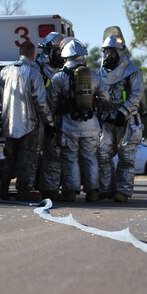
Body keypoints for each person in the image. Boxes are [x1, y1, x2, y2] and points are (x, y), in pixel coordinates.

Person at [0, 40, 53, 201]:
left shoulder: (4, 71)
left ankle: (4, 188)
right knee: (29, 158)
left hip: (10, 123)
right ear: (32, 54)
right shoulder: (33, 73)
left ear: (20, 52)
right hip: (30, 124)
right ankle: (24, 190)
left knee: (10, 156)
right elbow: (40, 101)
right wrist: (49, 122)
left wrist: (3, 113)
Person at [48, 37, 104, 202]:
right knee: (90, 157)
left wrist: (51, 122)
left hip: (69, 126)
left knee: (70, 158)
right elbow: (106, 98)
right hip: (92, 125)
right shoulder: (94, 76)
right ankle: (93, 192)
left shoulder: (59, 78)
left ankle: (70, 192)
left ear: (65, 56)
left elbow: (51, 102)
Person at [97, 27, 144, 203]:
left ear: (118, 52)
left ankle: (122, 191)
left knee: (126, 155)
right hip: (106, 119)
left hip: (127, 119)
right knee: (102, 153)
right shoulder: (101, 72)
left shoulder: (132, 70)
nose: (107, 55)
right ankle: (106, 189)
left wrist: (123, 112)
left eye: (110, 52)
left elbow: (136, 95)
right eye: (105, 52)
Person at [35, 32, 66, 200]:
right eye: (57, 51)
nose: (61, 56)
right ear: (48, 51)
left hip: (57, 117)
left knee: (54, 153)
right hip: (40, 118)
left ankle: (51, 188)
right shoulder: (37, 68)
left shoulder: (64, 70)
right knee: (36, 154)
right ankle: (36, 188)